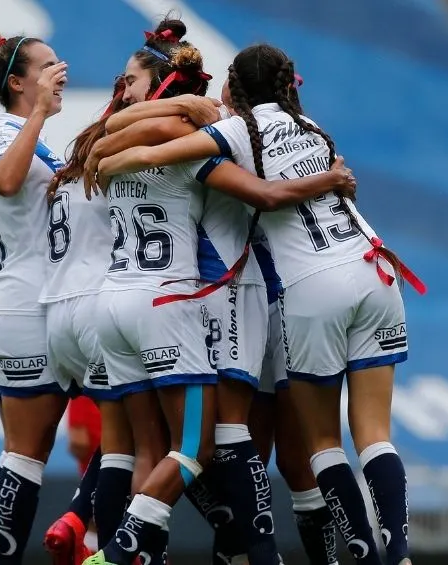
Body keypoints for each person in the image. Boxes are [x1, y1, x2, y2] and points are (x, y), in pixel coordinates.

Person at [95, 43, 426, 565]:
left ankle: (297, 554)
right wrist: (331, 178)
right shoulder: (311, 126)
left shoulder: (234, 128)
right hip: (369, 269)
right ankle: (394, 550)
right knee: (361, 437)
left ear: (234, 89)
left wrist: (110, 156)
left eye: (131, 80)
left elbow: (149, 145)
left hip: (277, 292)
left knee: (301, 445)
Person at [96, 77, 341, 565]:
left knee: (198, 445)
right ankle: (254, 552)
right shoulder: (251, 137)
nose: (126, 93)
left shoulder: (222, 133)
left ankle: (234, 550)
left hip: (223, 294)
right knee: (217, 439)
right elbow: (266, 195)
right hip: (227, 292)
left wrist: (126, 143)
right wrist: (331, 178)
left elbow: (109, 141)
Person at [0, 31, 72, 564]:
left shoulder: (28, 134)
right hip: (22, 308)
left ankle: (85, 531)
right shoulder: (4, 131)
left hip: (34, 305)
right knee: (26, 455)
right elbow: (7, 181)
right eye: (47, 66)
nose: (61, 72)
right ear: (17, 82)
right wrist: (37, 115)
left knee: (28, 453)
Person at [42, 73, 134, 565]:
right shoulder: (119, 169)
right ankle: (88, 527)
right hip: (97, 309)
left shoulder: (64, 178)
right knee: (141, 438)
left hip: (55, 319)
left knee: (119, 442)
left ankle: (85, 532)